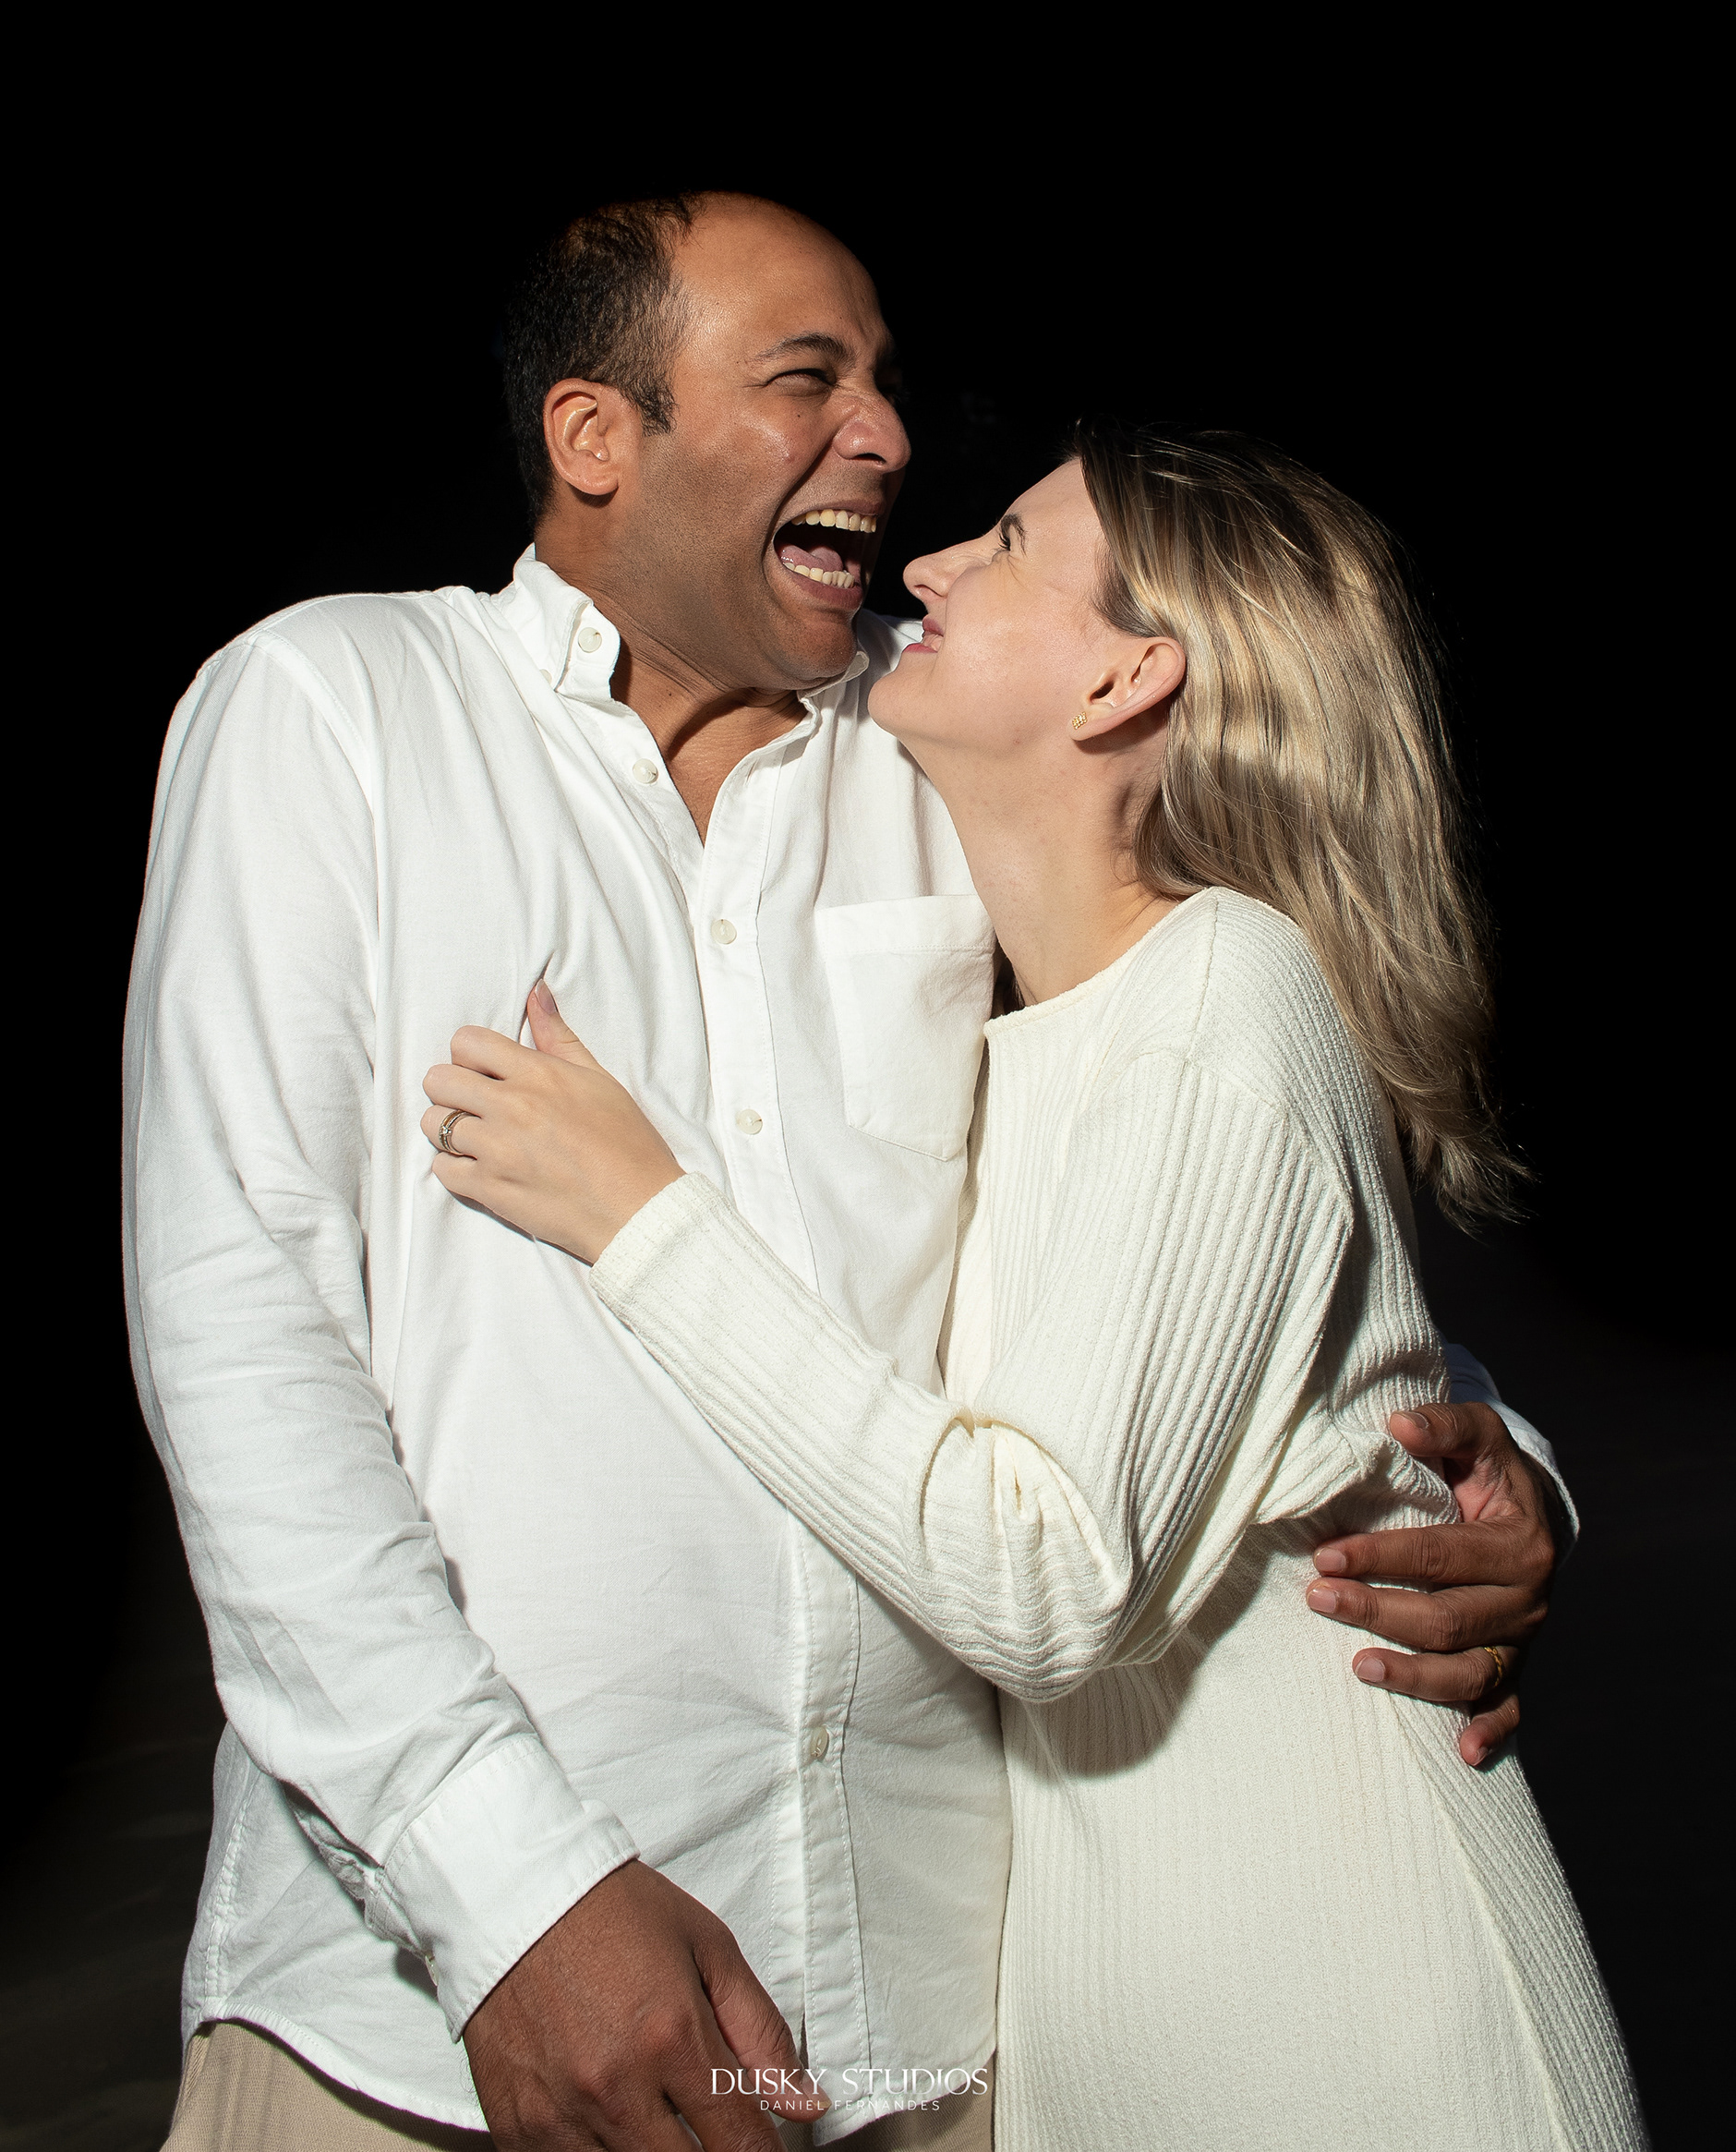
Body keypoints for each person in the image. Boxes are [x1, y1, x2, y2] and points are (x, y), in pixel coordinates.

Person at [127, 191, 1566, 2152]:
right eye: (809, 378)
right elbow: (244, 1349)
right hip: (433, 2028)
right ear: (595, 436)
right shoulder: (337, 716)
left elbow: (1193, 1180)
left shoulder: (947, 748)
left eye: (884, 380)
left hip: (928, 2032)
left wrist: (1487, 1469)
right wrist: (512, 1892)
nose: (887, 437)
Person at [417, 425, 1642, 2151]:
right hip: (1138, 2050)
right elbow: (1311, 1355)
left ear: (1129, 677)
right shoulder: (1036, 1040)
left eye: (1003, 543)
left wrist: (642, 1219)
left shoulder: (1227, 993)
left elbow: (1047, 1575)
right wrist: (1510, 1469)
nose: (926, 563)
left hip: (1372, 2038)